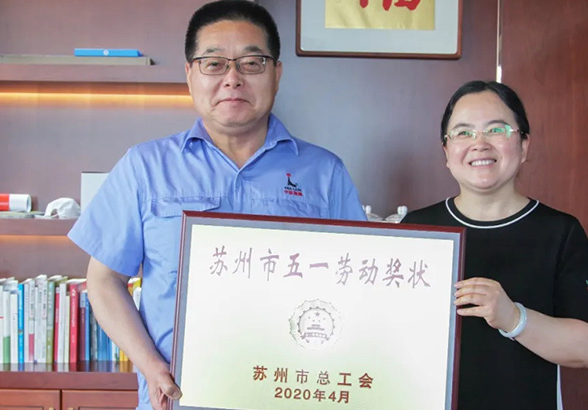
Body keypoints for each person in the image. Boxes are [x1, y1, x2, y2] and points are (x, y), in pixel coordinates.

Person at [68, 1, 366, 409]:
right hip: (181, 398)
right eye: (213, 64)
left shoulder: (325, 173)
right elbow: (104, 281)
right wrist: (151, 366)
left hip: (289, 395)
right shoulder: (145, 167)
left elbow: (358, 287)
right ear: (190, 75)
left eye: (251, 63)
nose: (232, 78)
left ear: (277, 74)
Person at [400, 80, 588, 410]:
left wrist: (514, 318)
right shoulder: (418, 228)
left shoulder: (560, 232)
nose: (479, 143)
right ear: (446, 152)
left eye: (496, 130)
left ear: (524, 145)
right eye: (463, 133)